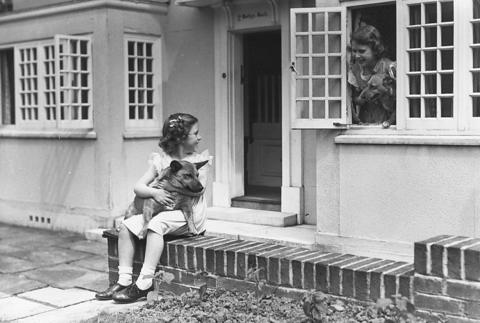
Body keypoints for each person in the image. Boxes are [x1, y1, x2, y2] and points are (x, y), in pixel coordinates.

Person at [95, 112, 212, 303]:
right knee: (127, 225)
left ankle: (145, 282)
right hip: (164, 210)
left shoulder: (199, 161)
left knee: (156, 223)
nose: (199, 137)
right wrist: (154, 193)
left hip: (188, 214)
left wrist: (165, 184)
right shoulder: (162, 161)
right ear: (181, 138)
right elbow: (138, 187)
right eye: (195, 133)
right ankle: (124, 279)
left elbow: (198, 190)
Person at [348, 24, 396, 128]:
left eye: (362, 51)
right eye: (354, 51)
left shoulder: (389, 67)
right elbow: (354, 100)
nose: (356, 55)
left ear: (375, 49)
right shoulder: (355, 70)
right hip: (365, 125)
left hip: (388, 126)